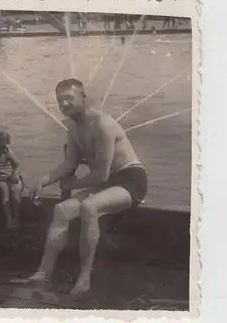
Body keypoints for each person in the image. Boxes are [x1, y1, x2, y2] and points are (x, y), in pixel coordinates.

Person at [17, 78, 148, 295]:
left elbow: (102, 174)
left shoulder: (103, 125)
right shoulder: (72, 127)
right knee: (61, 211)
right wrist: (43, 180)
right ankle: (42, 273)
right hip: (107, 184)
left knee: (90, 207)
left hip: (129, 181)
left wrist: (74, 184)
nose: (64, 104)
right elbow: (70, 164)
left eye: (69, 98)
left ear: (83, 98)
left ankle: (84, 275)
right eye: (60, 100)